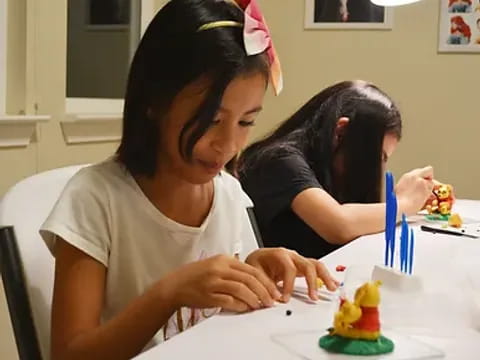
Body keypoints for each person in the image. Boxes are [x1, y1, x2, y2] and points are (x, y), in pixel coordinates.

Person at [40, 1, 337, 359]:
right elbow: (69, 353)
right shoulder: (94, 199)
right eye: (211, 118)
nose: (228, 145)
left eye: (246, 122)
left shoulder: (228, 192)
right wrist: (169, 293)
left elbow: (213, 307)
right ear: (154, 101)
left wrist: (253, 270)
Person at [238, 81, 435, 259]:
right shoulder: (280, 160)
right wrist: (405, 203)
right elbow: (339, 225)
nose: (377, 168)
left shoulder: (327, 168)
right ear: (341, 132)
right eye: (377, 157)